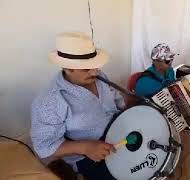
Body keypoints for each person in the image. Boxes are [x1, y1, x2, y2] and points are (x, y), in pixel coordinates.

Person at [31, 32, 125, 180]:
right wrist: (86, 147)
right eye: (86, 68)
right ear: (67, 68)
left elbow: (118, 102)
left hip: (119, 135)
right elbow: (44, 146)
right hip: (89, 156)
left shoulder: (99, 77)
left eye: (95, 66)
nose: (94, 72)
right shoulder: (50, 101)